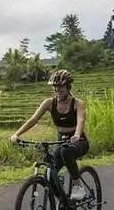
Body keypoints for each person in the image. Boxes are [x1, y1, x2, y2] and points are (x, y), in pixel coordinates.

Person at [9, 69, 89, 201]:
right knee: (49, 171)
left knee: (66, 151)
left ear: (68, 87)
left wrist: (76, 134)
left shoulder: (77, 103)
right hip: (61, 141)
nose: (58, 90)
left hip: (79, 141)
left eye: (61, 86)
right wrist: (16, 134)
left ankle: (77, 186)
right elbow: (33, 120)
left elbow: (81, 120)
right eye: (55, 87)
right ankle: (63, 201)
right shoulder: (49, 103)